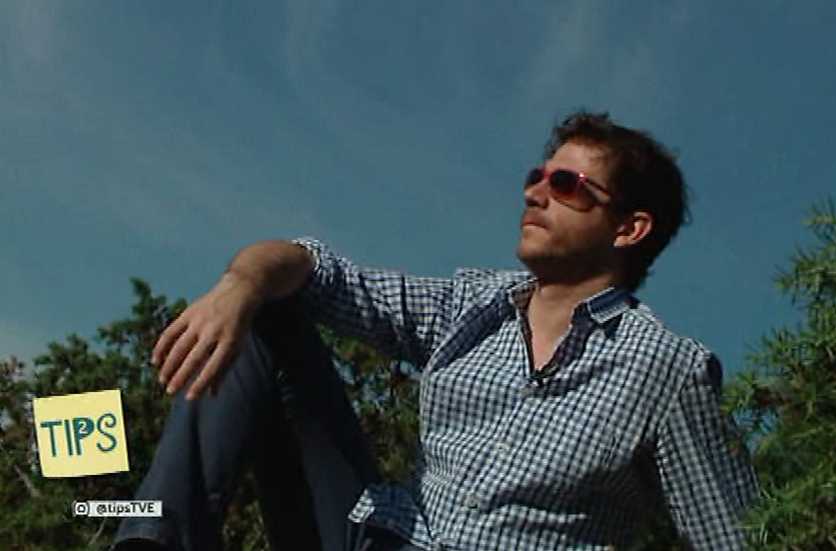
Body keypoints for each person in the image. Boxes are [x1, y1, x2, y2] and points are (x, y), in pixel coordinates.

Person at [111, 111, 759, 551]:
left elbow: (734, 533)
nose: (535, 194)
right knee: (269, 308)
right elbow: (316, 269)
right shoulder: (471, 304)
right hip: (373, 538)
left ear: (629, 228)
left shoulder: (666, 369)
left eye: (567, 185)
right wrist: (240, 284)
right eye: (536, 177)